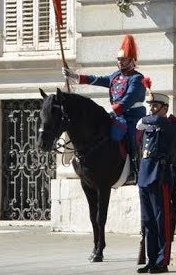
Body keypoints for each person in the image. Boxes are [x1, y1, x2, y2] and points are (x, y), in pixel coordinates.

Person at [63, 34, 146, 185]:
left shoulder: (137, 79)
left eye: (124, 59)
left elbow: (129, 98)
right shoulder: (115, 76)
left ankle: (134, 170)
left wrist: (114, 110)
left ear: (132, 61)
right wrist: (75, 76)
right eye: (119, 59)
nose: (120, 62)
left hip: (133, 116)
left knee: (130, 137)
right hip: (118, 115)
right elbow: (99, 79)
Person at [134, 86, 176, 273]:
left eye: (155, 106)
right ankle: (152, 260)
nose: (151, 109)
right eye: (150, 105)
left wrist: (143, 118)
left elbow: (157, 120)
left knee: (162, 221)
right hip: (145, 176)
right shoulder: (149, 127)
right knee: (148, 221)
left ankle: (162, 260)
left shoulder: (167, 124)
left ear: (165, 108)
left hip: (160, 177)